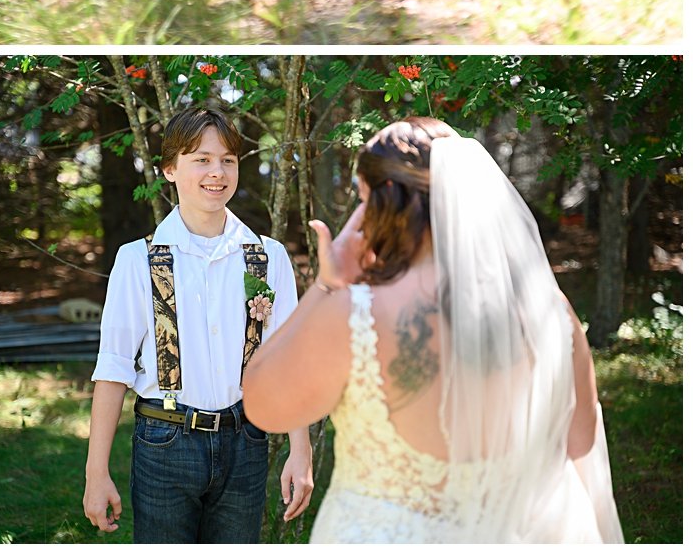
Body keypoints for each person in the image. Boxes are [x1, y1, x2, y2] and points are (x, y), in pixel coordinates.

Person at [243, 118, 623, 542]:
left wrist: (328, 284)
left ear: (385, 202)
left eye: (364, 201)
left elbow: (261, 404)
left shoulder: (359, 313)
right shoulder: (552, 311)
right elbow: (580, 444)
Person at [86, 103, 311, 544]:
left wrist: (300, 451)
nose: (217, 172)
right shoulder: (139, 260)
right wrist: (96, 473)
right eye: (201, 159)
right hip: (164, 444)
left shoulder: (267, 258)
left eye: (228, 160)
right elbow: (113, 367)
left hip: (245, 443)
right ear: (170, 169)